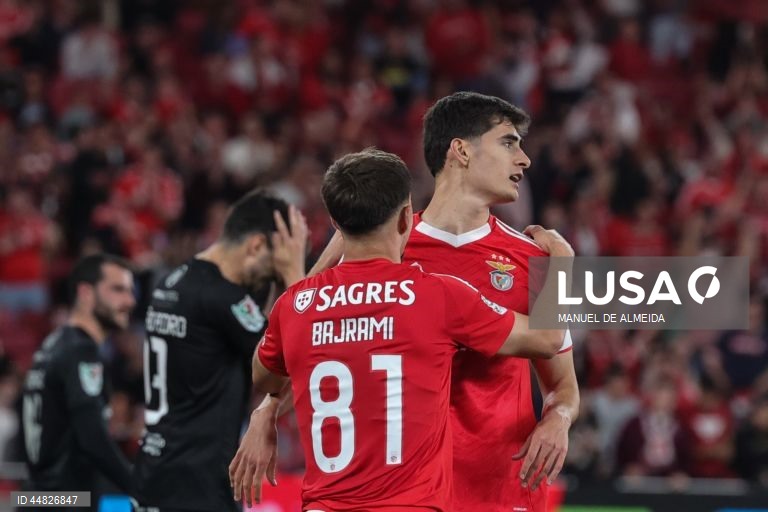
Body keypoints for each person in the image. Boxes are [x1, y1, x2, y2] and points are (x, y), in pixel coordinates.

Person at [229, 148, 574, 510]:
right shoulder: (435, 295)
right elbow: (548, 338)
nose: (521, 157)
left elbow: (266, 376)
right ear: (406, 216)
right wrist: (563, 261)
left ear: (335, 225)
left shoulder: (294, 305)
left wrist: (266, 408)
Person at [303, 92, 579, 511]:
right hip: (402, 495)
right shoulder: (386, 247)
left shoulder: (533, 259)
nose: (523, 160)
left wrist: (557, 419)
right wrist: (266, 413)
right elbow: (307, 335)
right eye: (508, 142)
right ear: (461, 150)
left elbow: (563, 388)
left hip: (501, 490)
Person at [133, 190, 307, 512]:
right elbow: (291, 360)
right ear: (255, 245)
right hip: (198, 482)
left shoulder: (174, 282)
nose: (270, 277)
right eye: (272, 266)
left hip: (154, 472)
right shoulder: (223, 299)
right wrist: (294, 272)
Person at [20, 254, 137, 509]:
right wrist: (138, 486)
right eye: (118, 289)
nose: (130, 301)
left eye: (130, 291)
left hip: (36, 496)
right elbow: (91, 437)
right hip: (65, 500)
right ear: (85, 293)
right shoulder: (81, 352)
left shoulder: (52, 346)